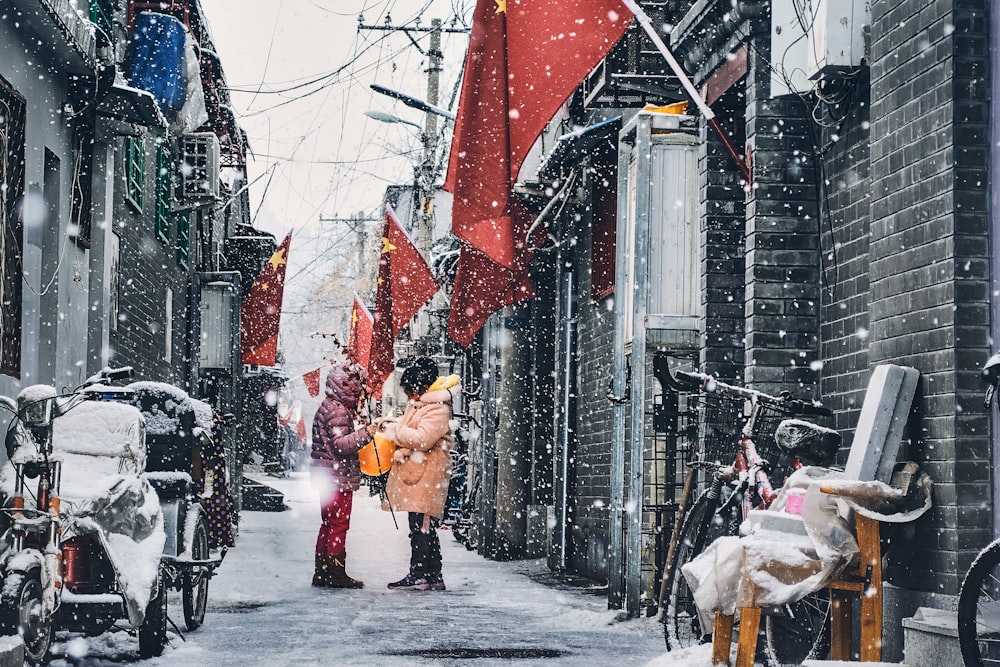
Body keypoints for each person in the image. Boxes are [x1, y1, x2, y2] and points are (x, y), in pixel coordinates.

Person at [381, 357, 454, 591]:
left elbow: (422, 439)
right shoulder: (422, 406)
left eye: (410, 391)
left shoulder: (437, 408)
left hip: (428, 475)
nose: (409, 397)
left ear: (420, 386)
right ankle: (433, 575)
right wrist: (396, 427)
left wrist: (395, 430)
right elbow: (411, 432)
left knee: (422, 526)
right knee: (422, 526)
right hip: (419, 474)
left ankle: (420, 572)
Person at [310, 360, 376, 588]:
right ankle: (335, 573)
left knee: (327, 524)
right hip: (336, 478)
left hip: (327, 478)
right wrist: (366, 433)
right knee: (338, 524)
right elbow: (341, 445)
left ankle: (322, 571)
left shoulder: (328, 406)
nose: (359, 391)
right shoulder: (338, 411)